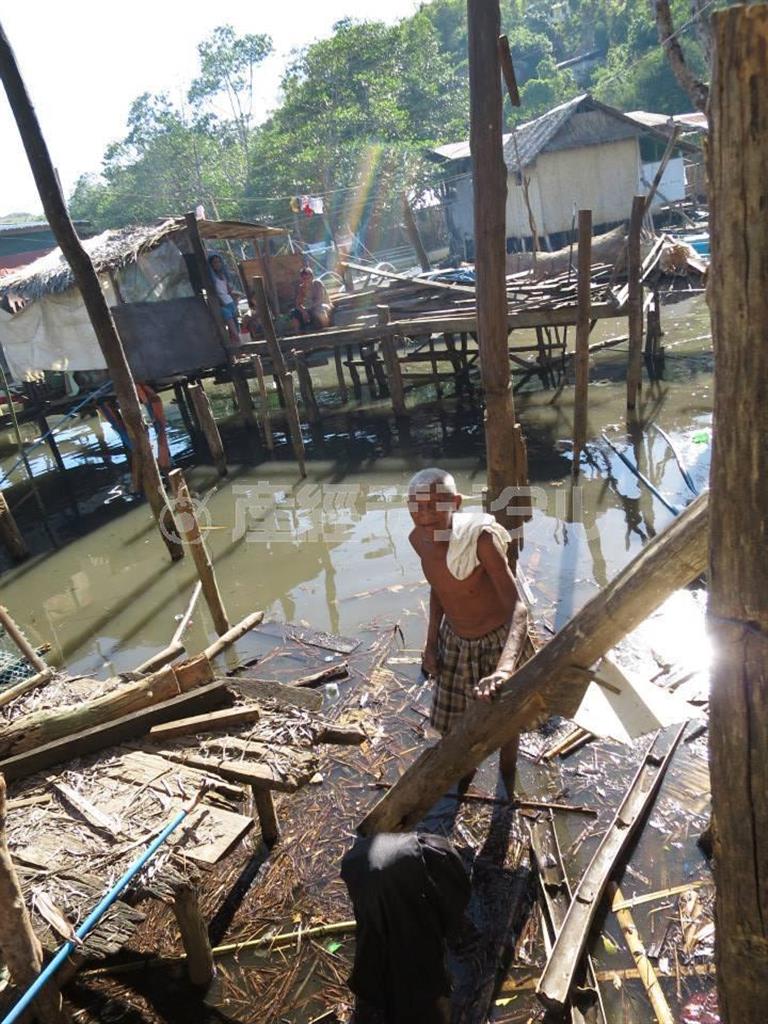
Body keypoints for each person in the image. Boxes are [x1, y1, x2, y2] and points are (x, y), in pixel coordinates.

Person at [406, 467, 528, 798]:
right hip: (456, 642)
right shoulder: (419, 540)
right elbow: (439, 589)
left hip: (496, 643)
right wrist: (430, 644)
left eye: (435, 505)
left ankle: (507, 777)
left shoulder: (481, 541)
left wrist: (505, 668)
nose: (425, 515)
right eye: (416, 506)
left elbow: (519, 608)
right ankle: (463, 775)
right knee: (454, 724)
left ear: (456, 503)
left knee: (505, 721)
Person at [341, 831, 470, 1024]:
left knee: (373, 932)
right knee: (409, 940)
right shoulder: (451, 874)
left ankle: (371, 990)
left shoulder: (435, 851)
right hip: (379, 872)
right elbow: (449, 913)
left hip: (358, 866)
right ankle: (417, 999)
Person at [207, 253, 241, 346]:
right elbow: (214, 293)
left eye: (219, 262)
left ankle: (237, 347)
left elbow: (228, 290)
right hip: (222, 305)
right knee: (232, 327)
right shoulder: (212, 278)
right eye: (215, 262)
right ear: (211, 265)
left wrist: (235, 295)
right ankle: (239, 343)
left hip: (230, 301)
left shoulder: (224, 275)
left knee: (235, 326)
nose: (217, 264)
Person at [289, 266, 332, 333]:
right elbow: (298, 304)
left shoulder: (317, 284)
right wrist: (304, 311)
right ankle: (298, 334)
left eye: (308, 278)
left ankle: (327, 331)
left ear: (312, 277)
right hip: (309, 308)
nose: (306, 280)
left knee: (320, 312)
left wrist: (309, 309)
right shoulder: (301, 288)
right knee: (294, 313)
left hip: (323, 305)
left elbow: (319, 300)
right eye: (304, 278)